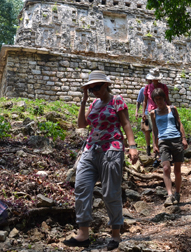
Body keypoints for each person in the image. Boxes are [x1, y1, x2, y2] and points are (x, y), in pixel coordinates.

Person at [65, 70, 139, 251]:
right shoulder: (93, 104)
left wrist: (132, 145)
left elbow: (126, 123)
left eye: (97, 87)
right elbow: (82, 124)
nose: (94, 91)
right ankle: (83, 234)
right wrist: (83, 101)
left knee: (110, 193)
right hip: (90, 150)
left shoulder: (117, 100)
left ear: (106, 85)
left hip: (111, 149)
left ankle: (115, 234)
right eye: (91, 89)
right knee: (82, 187)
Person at [150, 88, 187, 206]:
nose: (159, 102)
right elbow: (154, 130)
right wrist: (154, 144)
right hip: (163, 141)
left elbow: (179, 123)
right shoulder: (153, 113)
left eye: (160, 99)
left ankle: (177, 193)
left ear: (164, 99)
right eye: (156, 100)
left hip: (176, 139)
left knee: (177, 170)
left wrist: (184, 138)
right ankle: (169, 195)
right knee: (166, 168)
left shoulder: (173, 109)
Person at [142, 68, 171, 152]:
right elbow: (145, 101)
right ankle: (156, 148)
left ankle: (163, 148)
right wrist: (143, 112)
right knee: (155, 130)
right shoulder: (147, 87)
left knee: (164, 129)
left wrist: (170, 108)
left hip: (162, 110)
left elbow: (167, 99)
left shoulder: (163, 87)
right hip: (152, 111)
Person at [135, 79, 153, 155]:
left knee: (156, 131)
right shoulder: (143, 89)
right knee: (147, 130)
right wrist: (137, 111)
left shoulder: (156, 90)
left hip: (154, 112)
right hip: (146, 112)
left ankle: (156, 148)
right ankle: (148, 147)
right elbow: (139, 101)